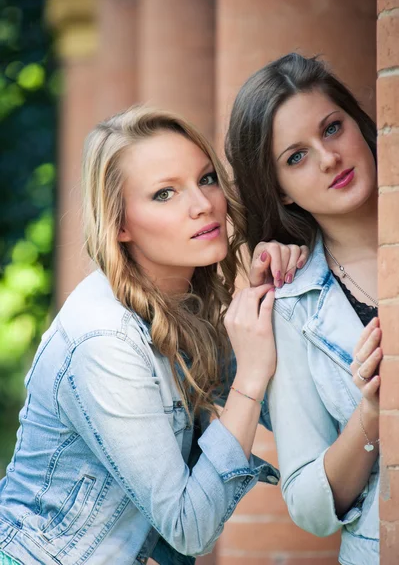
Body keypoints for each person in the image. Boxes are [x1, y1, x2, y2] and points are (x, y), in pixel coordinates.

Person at [0, 106, 307, 565]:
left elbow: (285, 406)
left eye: (205, 179)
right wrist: (251, 377)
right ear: (120, 225)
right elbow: (190, 528)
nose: (203, 204)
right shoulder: (104, 340)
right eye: (164, 194)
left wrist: (276, 294)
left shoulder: (181, 305)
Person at [225, 53, 381, 565]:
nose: (329, 158)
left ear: (358, 124)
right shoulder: (291, 311)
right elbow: (309, 506)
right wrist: (373, 416)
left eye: (332, 129)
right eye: (296, 157)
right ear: (280, 192)